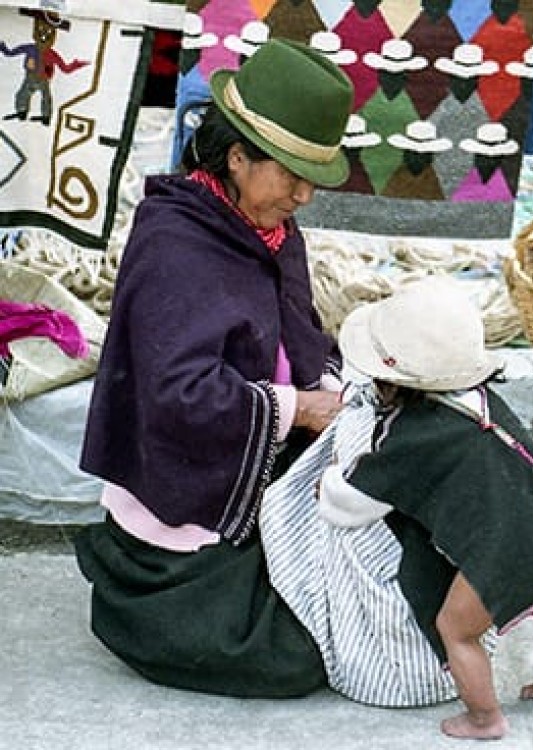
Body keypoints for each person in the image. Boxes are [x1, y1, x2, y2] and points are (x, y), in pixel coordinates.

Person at [74, 38, 355, 697]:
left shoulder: (272, 231)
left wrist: (341, 390)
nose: (305, 195)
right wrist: (299, 409)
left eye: (312, 176)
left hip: (254, 457)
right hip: (186, 503)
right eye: (289, 173)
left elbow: (298, 336)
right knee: (303, 655)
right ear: (236, 156)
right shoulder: (174, 245)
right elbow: (179, 396)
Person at [326, 276, 533, 740]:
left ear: (390, 377)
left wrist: (329, 475)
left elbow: (346, 506)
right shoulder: (484, 399)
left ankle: (484, 718)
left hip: (501, 549)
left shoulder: (413, 435)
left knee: (456, 629)